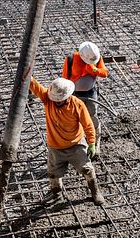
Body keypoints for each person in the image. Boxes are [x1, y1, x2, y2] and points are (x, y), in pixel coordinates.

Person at [29, 76, 105, 206]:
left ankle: (95, 192)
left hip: (76, 145)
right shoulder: (48, 98)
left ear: (67, 96)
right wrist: (25, 73)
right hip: (56, 147)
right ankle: (56, 194)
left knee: (88, 169)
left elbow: (88, 125)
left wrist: (91, 143)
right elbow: (35, 86)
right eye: (55, 100)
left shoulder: (77, 104)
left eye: (60, 101)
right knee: (53, 173)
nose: (57, 102)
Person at [60, 41, 108, 144]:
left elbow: (104, 73)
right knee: (74, 117)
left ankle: (95, 140)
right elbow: (64, 77)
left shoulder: (96, 57)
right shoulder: (71, 59)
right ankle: (78, 141)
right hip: (75, 95)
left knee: (92, 115)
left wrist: (94, 69)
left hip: (90, 93)